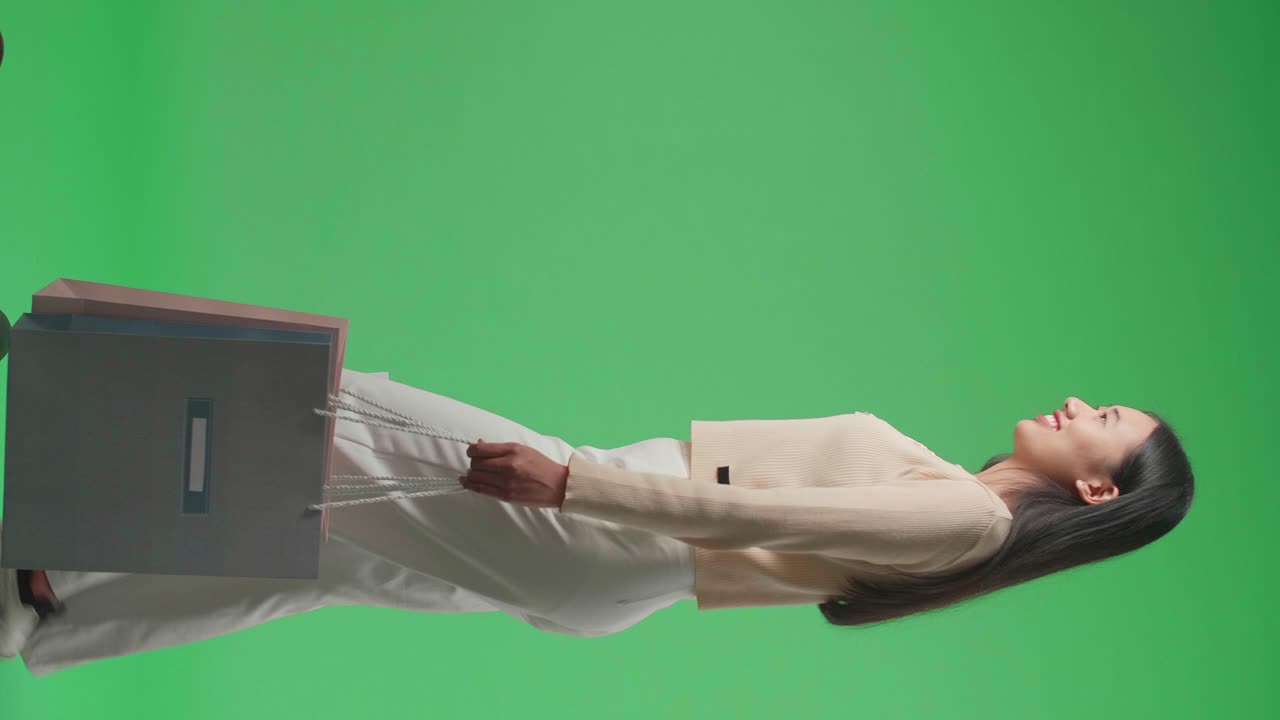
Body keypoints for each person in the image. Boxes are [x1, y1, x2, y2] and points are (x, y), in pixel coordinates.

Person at [0, 368, 1195, 676]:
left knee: (324, 415)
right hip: (606, 575)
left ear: (1097, 488)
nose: (1077, 405)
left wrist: (570, 483)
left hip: (600, 534)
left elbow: (758, 510)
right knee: (306, 551)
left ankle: (47, 527)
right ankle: (35, 623)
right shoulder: (962, 508)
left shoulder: (957, 519)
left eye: (1104, 421)